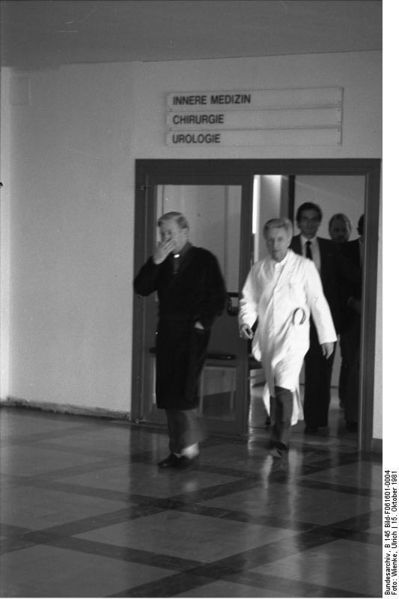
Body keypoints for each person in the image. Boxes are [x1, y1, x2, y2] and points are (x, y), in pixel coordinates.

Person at [134, 211, 226, 469]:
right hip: (167, 333)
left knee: (184, 392)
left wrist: (201, 323)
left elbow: (218, 297)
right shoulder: (161, 260)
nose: (165, 238)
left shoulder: (204, 259)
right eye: (162, 233)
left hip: (192, 334)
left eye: (170, 233)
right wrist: (155, 261)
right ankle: (178, 450)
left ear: (185, 233)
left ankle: (189, 449)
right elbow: (141, 287)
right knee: (168, 392)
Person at [239, 218, 336, 458]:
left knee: (284, 385)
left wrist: (327, 336)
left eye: (280, 239)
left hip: (293, 337)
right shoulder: (259, 269)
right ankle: (277, 431)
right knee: (274, 389)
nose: (275, 244)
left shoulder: (304, 266)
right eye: (270, 240)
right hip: (268, 337)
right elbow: (248, 300)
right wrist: (245, 322)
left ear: (289, 238)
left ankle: (280, 441)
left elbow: (317, 300)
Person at [290, 202, 341, 434]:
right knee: (286, 370)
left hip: (321, 321)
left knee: (320, 372)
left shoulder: (330, 248)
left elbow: (341, 283)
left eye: (313, 219)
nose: (309, 224)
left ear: (319, 222)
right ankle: (281, 419)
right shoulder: (287, 245)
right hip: (292, 320)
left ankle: (316, 421)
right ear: (298, 222)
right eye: (305, 219)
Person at [337, 214, 364, 431]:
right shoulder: (347, 250)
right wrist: (351, 301)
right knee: (349, 361)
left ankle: (358, 409)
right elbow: (339, 283)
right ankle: (349, 409)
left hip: (374, 316)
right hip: (350, 313)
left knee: (361, 363)